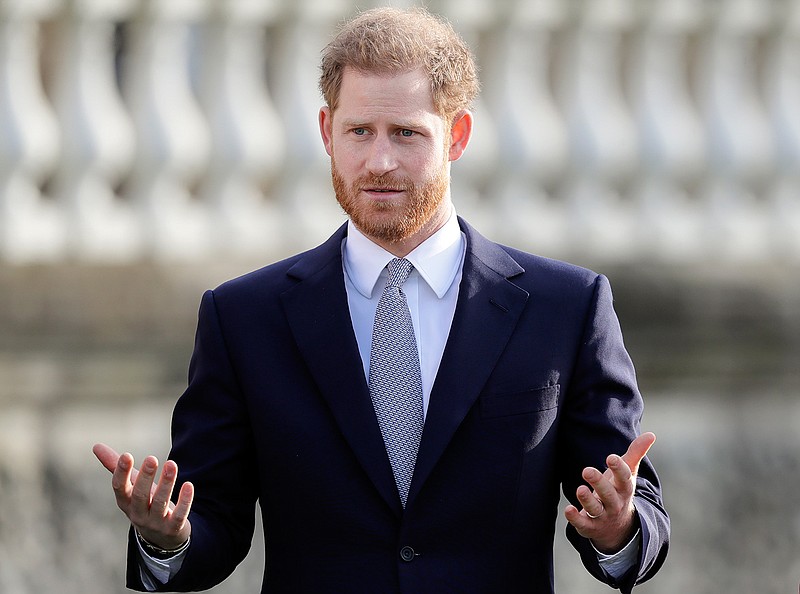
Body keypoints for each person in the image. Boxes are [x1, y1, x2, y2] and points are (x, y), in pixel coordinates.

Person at [94, 6, 669, 593]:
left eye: (407, 133)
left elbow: (634, 509)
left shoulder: (565, 309)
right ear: (326, 132)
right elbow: (213, 520)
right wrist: (166, 540)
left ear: (458, 135)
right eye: (359, 131)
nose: (380, 161)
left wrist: (621, 528)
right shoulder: (244, 318)